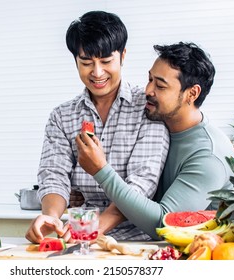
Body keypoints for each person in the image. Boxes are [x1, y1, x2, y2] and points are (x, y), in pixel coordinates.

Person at [25, 11, 169, 243]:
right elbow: (54, 175)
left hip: (135, 241)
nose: (97, 72)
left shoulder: (148, 108)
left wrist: (92, 230)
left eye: (105, 61)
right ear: (75, 62)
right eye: (86, 63)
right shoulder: (62, 116)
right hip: (78, 237)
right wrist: (50, 216)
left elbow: (141, 186)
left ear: (122, 56)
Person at [75, 42, 234, 240]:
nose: (148, 90)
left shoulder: (209, 156)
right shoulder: (159, 126)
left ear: (192, 94)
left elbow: (165, 225)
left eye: (160, 85)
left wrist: (101, 171)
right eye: (149, 79)